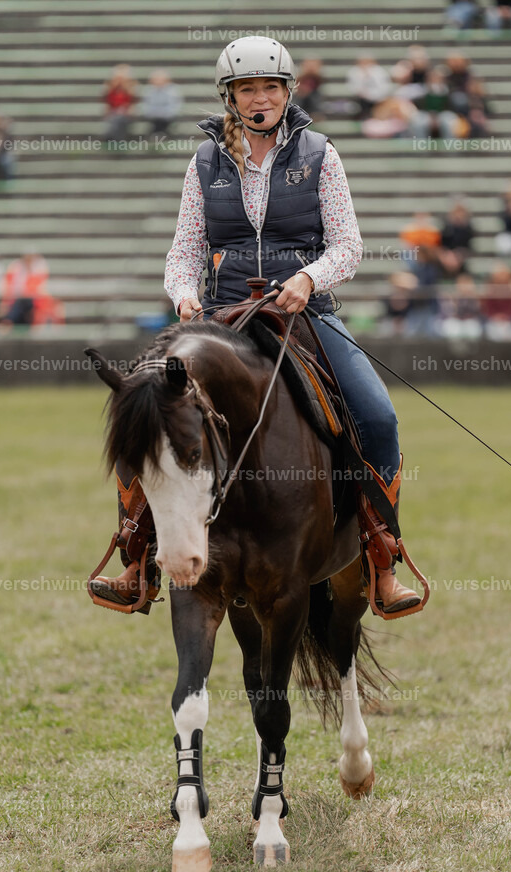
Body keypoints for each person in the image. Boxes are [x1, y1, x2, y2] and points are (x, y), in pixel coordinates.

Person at [93, 36, 424, 618]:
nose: (260, 97)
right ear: (231, 97)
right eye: (247, 88)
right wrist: (183, 293)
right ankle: (135, 556)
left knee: (377, 415)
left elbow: (348, 246)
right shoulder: (204, 162)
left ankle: (380, 555)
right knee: (140, 406)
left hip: (306, 315)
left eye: (270, 86)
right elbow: (184, 249)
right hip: (222, 317)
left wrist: (310, 279)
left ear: (287, 91)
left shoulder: (321, 153)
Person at [346, 54, 392, 120]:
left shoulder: (379, 71)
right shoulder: (354, 72)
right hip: (361, 99)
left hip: (378, 99)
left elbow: (385, 87)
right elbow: (352, 87)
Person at [140, 70, 182, 138]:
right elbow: (146, 106)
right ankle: (159, 134)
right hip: (154, 117)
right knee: (157, 120)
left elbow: (174, 106)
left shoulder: (172, 91)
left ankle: (159, 134)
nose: (158, 81)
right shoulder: (148, 91)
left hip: (167, 117)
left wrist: (162, 113)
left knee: (162, 120)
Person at [102, 64, 137, 144]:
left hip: (126, 115)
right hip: (113, 114)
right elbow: (108, 101)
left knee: (119, 119)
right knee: (116, 119)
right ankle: (118, 140)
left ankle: (114, 139)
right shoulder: (110, 87)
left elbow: (131, 102)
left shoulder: (132, 86)